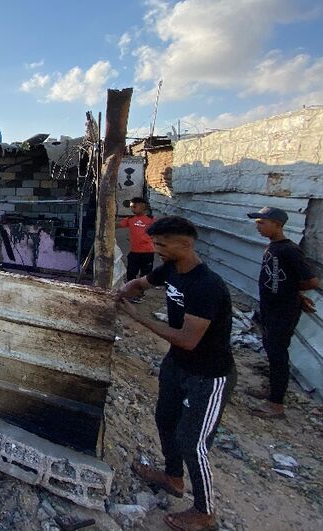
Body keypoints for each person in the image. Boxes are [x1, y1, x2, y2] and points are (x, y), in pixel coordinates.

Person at [116, 216, 235, 531]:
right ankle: (173, 477)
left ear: (187, 243)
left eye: (163, 244)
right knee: (165, 419)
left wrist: (137, 317)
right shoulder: (170, 270)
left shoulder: (206, 286)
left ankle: (205, 510)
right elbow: (141, 284)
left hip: (207, 375)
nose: (157, 250)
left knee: (191, 441)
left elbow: (188, 339)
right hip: (177, 365)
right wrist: (124, 291)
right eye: (156, 244)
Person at [246, 206, 318, 419]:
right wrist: (295, 293)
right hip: (272, 307)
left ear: (277, 224)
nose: (258, 226)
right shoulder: (273, 247)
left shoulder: (289, 249)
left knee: (278, 354)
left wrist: (294, 295)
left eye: (262, 222)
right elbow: (285, 278)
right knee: (270, 348)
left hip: (283, 311)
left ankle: (276, 405)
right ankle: (273, 389)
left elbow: (311, 280)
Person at [117, 197, 156, 294]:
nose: (132, 209)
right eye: (131, 207)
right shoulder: (130, 219)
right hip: (134, 252)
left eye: (134, 206)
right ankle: (131, 292)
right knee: (131, 274)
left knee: (145, 275)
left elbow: (161, 230)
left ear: (143, 207)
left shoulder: (151, 220)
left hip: (148, 253)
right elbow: (117, 225)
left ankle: (140, 293)